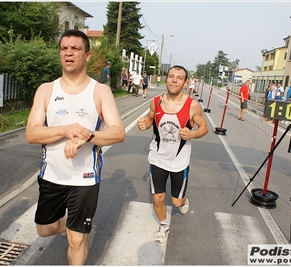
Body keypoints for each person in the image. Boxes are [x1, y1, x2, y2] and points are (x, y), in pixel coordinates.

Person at [25, 30, 125, 265]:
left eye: (76, 48)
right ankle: (68, 226)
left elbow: (118, 132)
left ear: (87, 55)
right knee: (45, 229)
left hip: (85, 179)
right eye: (64, 48)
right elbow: (31, 133)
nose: (69, 52)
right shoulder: (46, 90)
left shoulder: (100, 91)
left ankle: (75, 230)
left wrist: (89, 135)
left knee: (77, 240)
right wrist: (66, 129)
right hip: (52, 175)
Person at [137, 65, 208, 243]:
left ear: (185, 83)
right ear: (166, 79)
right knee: (158, 197)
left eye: (179, 78)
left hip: (179, 162)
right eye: (171, 76)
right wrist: (144, 124)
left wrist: (192, 134)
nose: (174, 80)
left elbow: (204, 128)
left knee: (176, 203)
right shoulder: (155, 102)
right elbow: (150, 119)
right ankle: (163, 225)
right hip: (158, 158)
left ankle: (183, 201)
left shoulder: (193, 106)